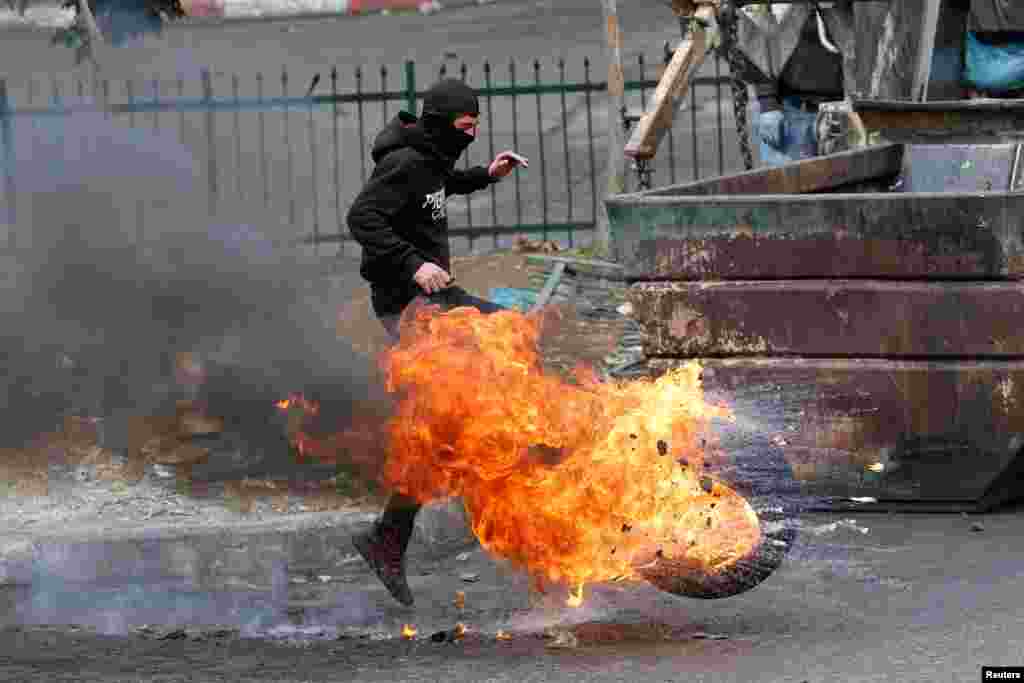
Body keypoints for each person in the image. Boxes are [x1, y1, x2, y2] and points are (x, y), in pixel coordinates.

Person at [346, 77, 527, 607]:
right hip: (408, 303)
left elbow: (438, 186)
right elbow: (363, 217)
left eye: (476, 128)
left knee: (446, 419)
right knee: (503, 334)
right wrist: (414, 263)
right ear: (442, 123)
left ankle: (387, 539)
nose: (471, 136)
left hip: (431, 298)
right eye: (466, 128)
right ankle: (391, 535)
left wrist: (484, 176)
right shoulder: (403, 163)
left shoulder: (430, 155)